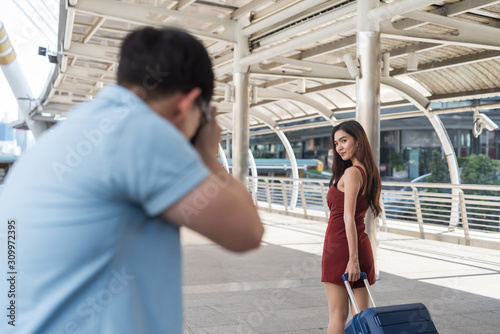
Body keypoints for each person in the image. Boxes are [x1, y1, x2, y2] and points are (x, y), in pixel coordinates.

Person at [0, 27, 264, 333]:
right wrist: (207, 155)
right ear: (187, 103)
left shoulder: (76, 130)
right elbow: (247, 232)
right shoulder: (140, 129)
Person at [321, 120, 382, 334]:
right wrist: (356, 258)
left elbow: (348, 217)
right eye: (336, 143)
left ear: (358, 142)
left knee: (337, 316)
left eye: (344, 141)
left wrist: (352, 259)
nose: (339, 147)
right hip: (358, 246)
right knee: (363, 317)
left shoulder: (352, 173)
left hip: (341, 248)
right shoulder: (368, 171)